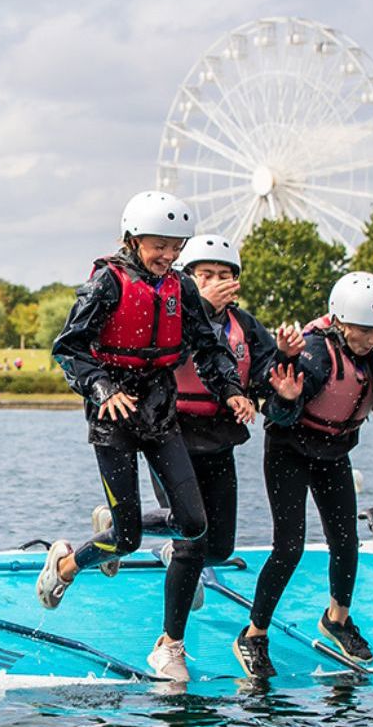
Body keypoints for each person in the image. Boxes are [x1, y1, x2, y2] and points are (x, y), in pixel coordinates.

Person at [36, 191, 255, 682]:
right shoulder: (105, 284)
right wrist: (101, 386)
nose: (169, 256)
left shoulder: (180, 288)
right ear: (133, 238)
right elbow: (68, 348)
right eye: (160, 246)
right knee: (128, 536)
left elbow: (209, 348)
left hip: (158, 416)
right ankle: (67, 567)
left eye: (176, 246)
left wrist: (233, 391)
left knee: (195, 525)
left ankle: (169, 645)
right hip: (112, 418)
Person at [97, 234, 288, 681]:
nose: (217, 282)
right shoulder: (171, 318)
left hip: (220, 439)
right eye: (206, 275)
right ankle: (168, 646)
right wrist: (196, 306)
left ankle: (130, 523)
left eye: (225, 275)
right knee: (193, 541)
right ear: (188, 278)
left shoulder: (247, 326)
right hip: (173, 432)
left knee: (220, 547)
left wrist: (279, 371)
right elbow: (169, 356)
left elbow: (259, 373)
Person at [230, 272, 373, 679]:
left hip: (334, 455)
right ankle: (253, 635)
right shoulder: (314, 352)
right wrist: (287, 398)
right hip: (289, 453)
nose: (372, 340)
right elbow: (276, 414)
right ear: (341, 322)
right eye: (364, 331)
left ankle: (337, 620)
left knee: (346, 543)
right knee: (289, 547)